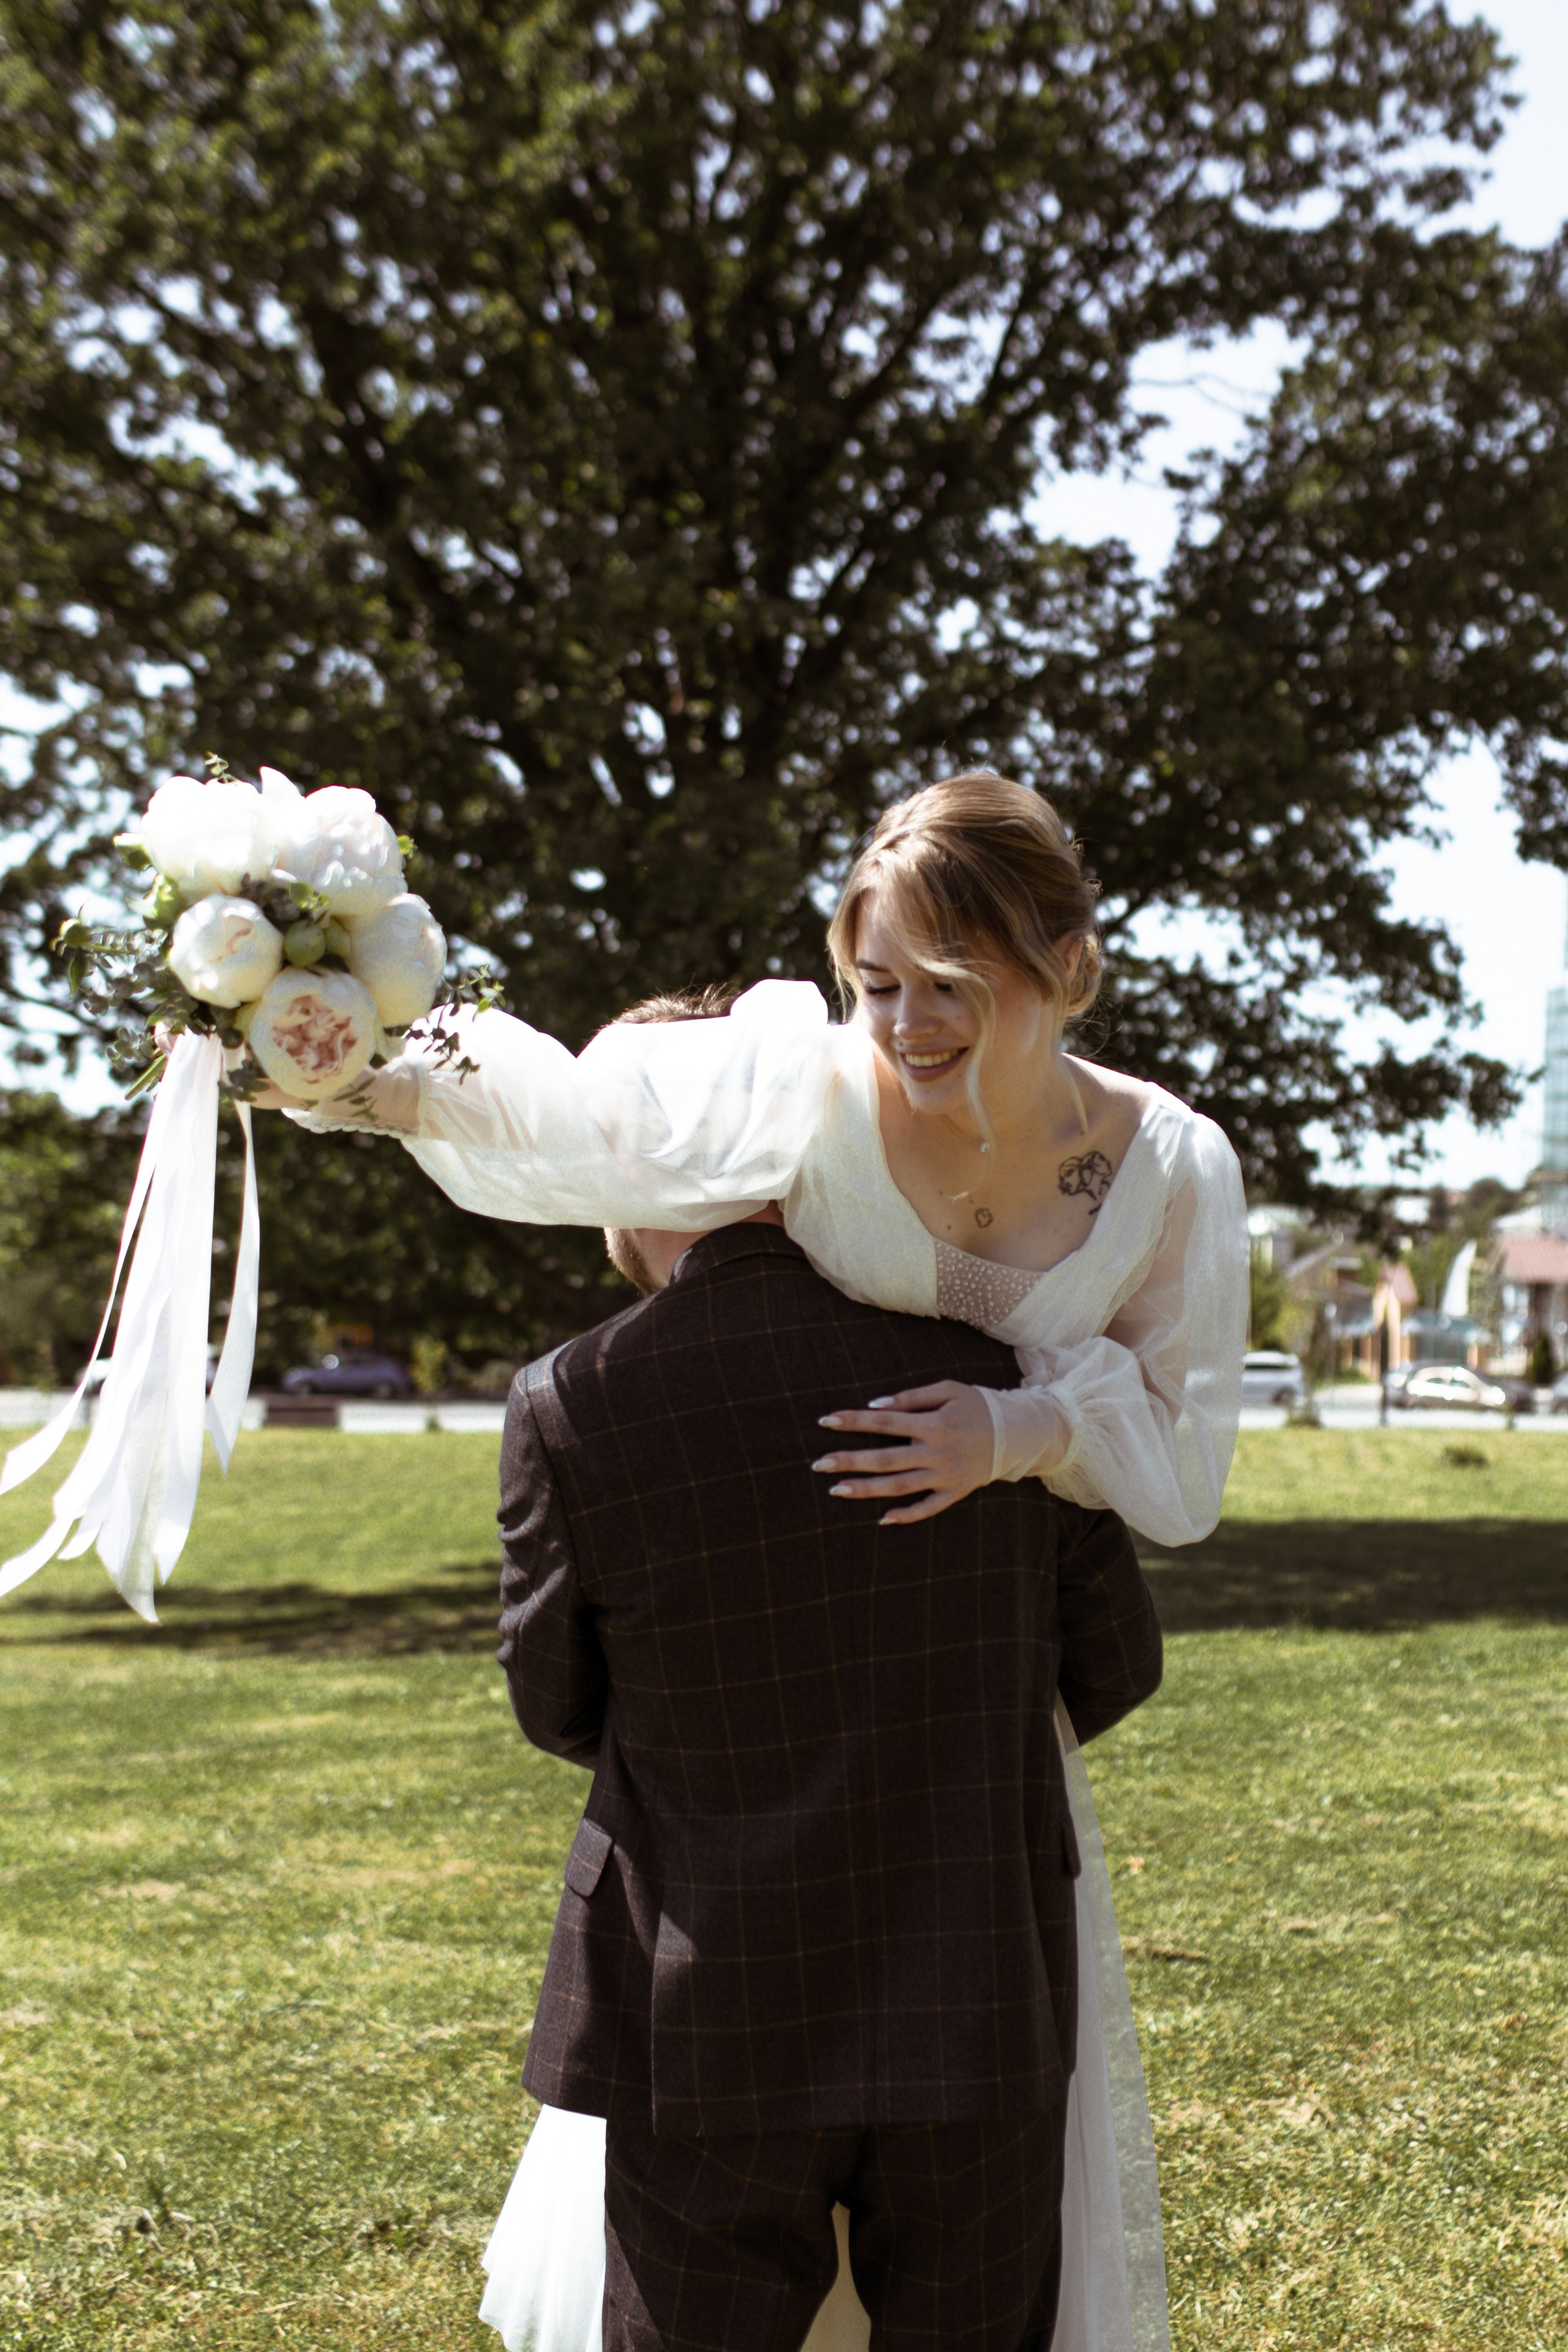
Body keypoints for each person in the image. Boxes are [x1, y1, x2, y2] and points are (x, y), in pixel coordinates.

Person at [277, 772, 1250, 2342]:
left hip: (765, 1927)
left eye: (952, 986)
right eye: (875, 987)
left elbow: (1179, 1454)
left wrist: (1015, 1434)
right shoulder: (801, 1086)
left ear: (1069, 967)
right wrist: (341, 1066)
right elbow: (583, 1124)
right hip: (955, 1878)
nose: (907, 1026)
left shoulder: (1167, 1175)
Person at [484, 1192, 1163, 2351]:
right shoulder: (1001, 1367)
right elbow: (1114, 1664)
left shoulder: (573, 1397)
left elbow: (555, 1704)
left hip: (702, 1986)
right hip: (980, 1975)